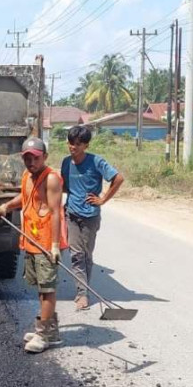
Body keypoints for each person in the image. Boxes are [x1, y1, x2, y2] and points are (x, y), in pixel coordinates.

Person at [0, 137, 67, 353]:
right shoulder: (27, 176)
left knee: (48, 289)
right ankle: (48, 328)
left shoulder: (51, 179)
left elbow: (55, 213)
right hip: (32, 240)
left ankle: (44, 335)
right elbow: (24, 198)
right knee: (41, 289)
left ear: (45, 157)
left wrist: (53, 245)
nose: (31, 162)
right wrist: (4, 206)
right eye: (27, 158)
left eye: (35, 157)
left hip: (45, 243)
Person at [60, 126, 124, 311]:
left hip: (90, 216)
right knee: (76, 254)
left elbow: (118, 178)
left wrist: (103, 199)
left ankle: (84, 288)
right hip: (71, 214)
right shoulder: (66, 163)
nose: (73, 147)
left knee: (86, 255)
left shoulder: (96, 162)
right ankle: (82, 294)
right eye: (71, 143)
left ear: (86, 145)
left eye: (78, 144)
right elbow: (65, 185)